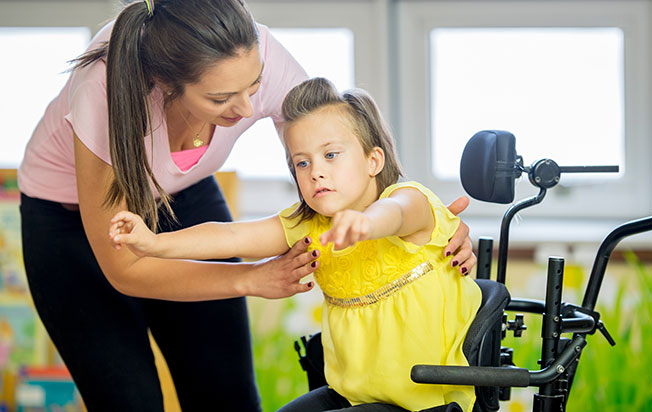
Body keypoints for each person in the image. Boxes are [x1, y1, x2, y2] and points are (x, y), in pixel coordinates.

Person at [18, 1, 476, 411]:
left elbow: (349, 147)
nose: (247, 107)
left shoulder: (256, 52)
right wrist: (250, 277)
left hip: (184, 193)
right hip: (67, 219)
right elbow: (127, 268)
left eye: (254, 86)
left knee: (227, 393)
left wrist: (426, 224)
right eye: (221, 99)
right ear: (168, 86)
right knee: (128, 399)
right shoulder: (106, 92)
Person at [108, 77, 482, 412]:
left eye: (331, 155)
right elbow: (232, 235)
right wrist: (154, 242)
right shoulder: (311, 224)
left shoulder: (410, 199)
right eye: (301, 163)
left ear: (373, 160)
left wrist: (366, 223)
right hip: (355, 394)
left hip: (423, 397)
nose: (316, 170)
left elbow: (396, 213)